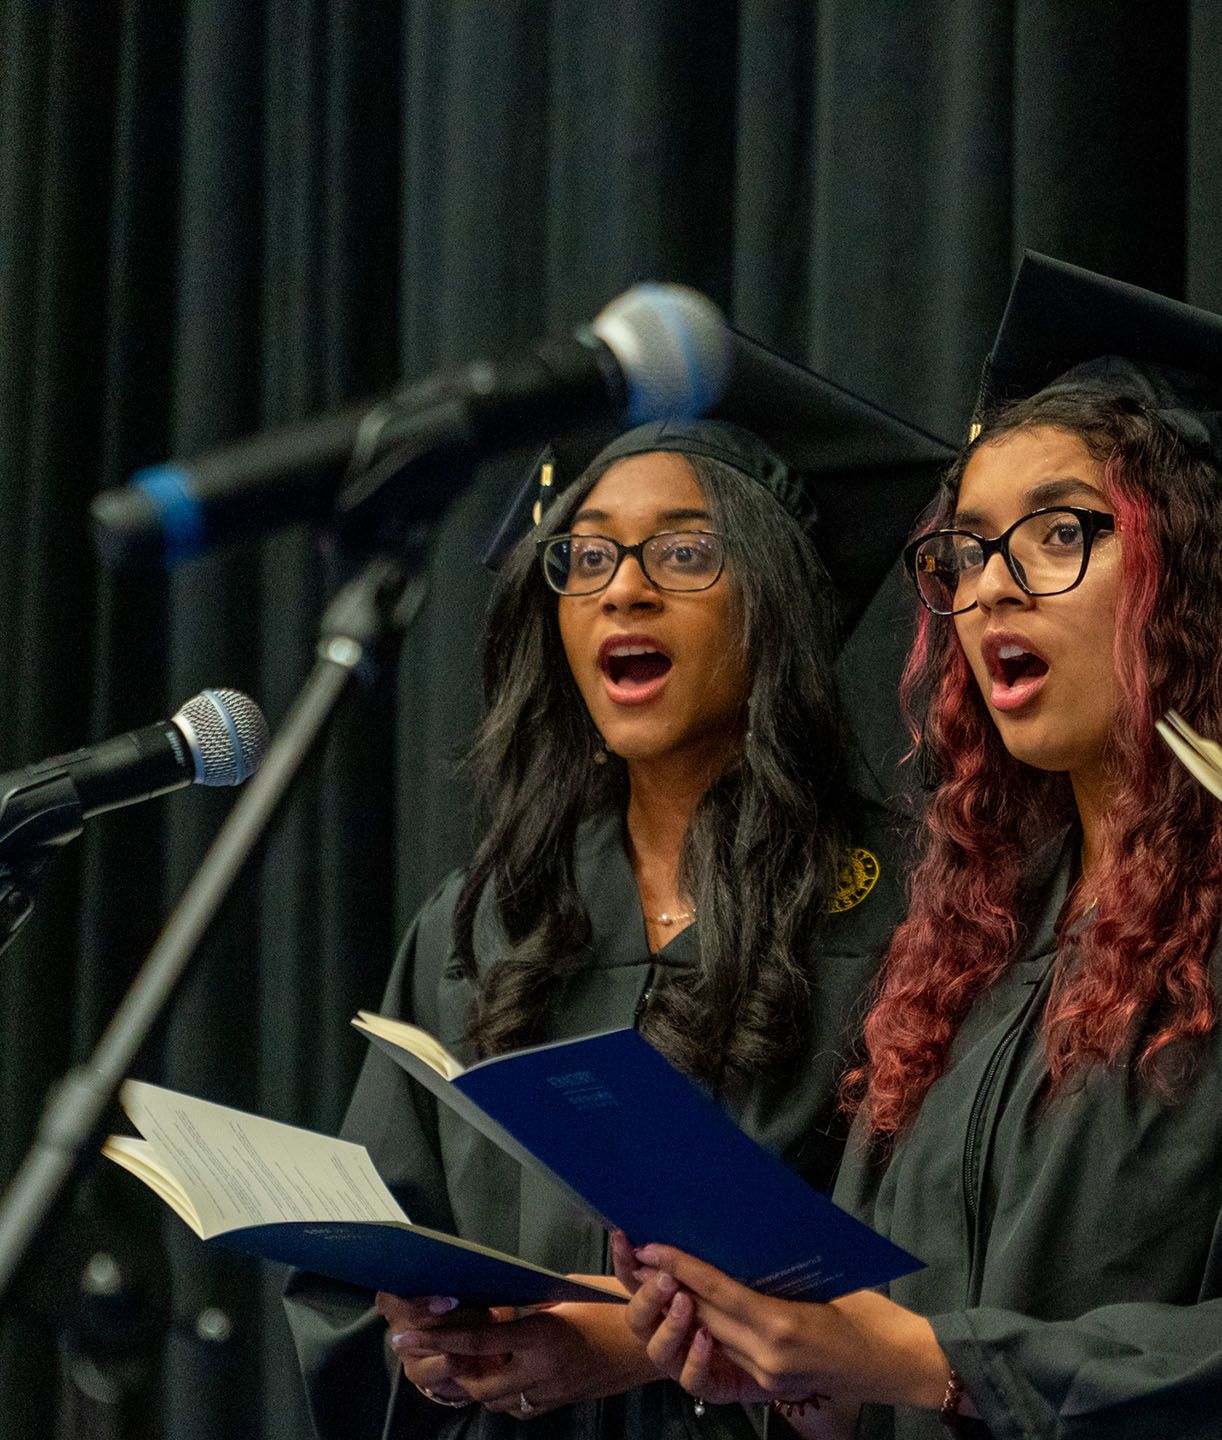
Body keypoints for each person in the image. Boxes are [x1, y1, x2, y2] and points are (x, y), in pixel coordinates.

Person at [613, 253, 1222, 1438]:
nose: (993, 589)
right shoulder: (975, 937)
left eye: (1057, 534)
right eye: (963, 553)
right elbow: (889, 1347)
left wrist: (927, 1360)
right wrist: (797, 1367)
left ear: (1195, 570)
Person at [282, 344, 953, 1439]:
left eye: (683, 552)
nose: (622, 588)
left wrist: (641, 1346)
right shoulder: (485, 918)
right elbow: (359, 1272)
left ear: (772, 602)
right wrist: (427, 1348)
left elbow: (936, 1290)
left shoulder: (903, 908)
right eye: (584, 557)